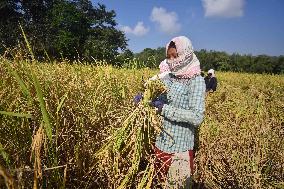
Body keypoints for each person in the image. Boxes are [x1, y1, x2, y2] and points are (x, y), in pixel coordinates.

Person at [134, 36, 205, 188]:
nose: (172, 60)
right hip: (161, 144)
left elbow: (197, 116)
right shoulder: (168, 76)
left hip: (179, 150)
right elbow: (155, 98)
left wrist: (164, 109)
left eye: (176, 55)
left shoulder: (196, 80)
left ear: (186, 54)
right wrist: (145, 99)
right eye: (169, 56)